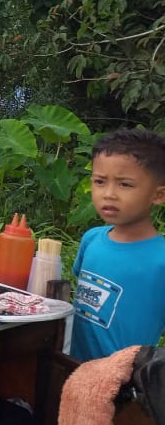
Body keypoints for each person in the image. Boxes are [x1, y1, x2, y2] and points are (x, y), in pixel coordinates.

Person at [70, 129, 165, 361]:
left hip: (121, 386)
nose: (109, 194)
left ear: (159, 195)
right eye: (100, 182)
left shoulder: (160, 260)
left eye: (125, 184)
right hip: (67, 366)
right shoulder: (91, 239)